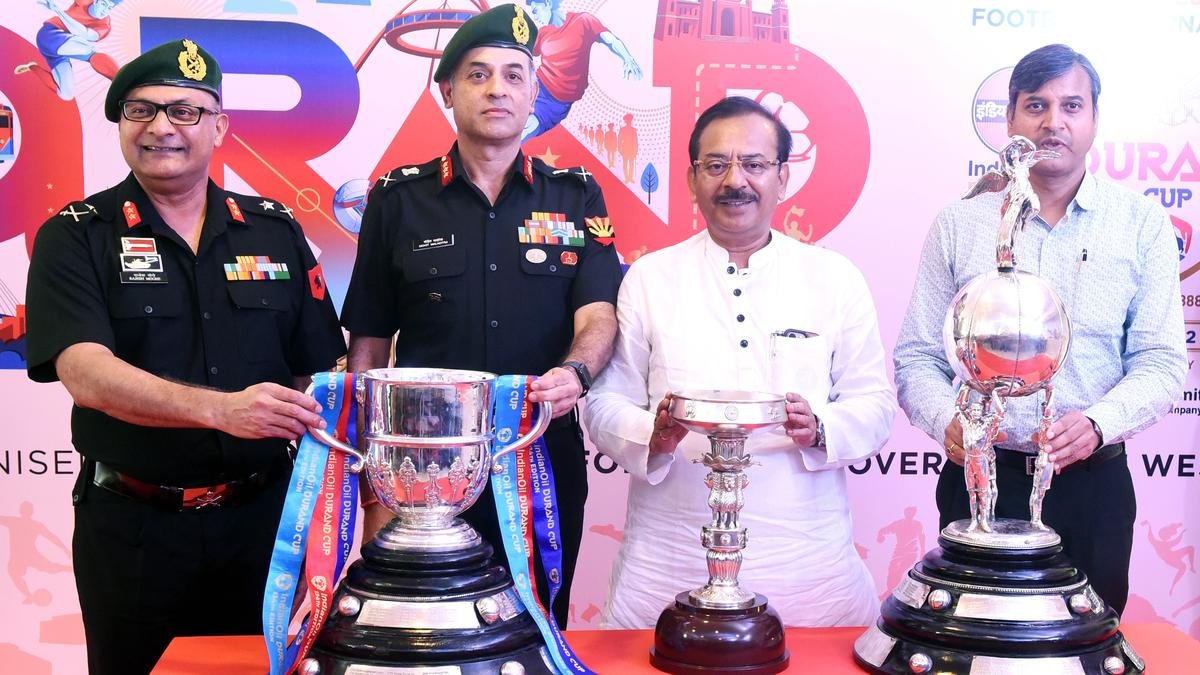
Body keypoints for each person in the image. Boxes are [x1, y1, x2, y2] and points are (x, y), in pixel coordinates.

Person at [24, 39, 346, 674]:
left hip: (265, 525)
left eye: (185, 111)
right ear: (121, 124)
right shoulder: (76, 234)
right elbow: (85, 373)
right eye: (141, 110)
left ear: (219, 127)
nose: (161, 127)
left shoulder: (274, 228)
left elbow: (315, 366)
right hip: (135, 530)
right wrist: (223, 411)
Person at [340, 3, 621, 628]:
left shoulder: (576, 196)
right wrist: (372, 475)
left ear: (533, 93)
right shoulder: (397, 199)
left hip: (538, 455)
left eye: (515, 75)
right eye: (478, 74)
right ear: (447, 91)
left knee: (538, 628)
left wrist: (575, 374)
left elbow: (598, 315)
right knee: (421, 629)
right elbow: (369, 342)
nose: (498, 89)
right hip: (421, 467)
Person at [894, 44, 1186, 617]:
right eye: (1036, 106)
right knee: (973, 641)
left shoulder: (1141, 224)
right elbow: (918, 356)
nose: (1054, 122)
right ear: (1009, 119)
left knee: (1086, 646)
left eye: (1072, 106)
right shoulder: (959, 224)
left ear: (1094, 119)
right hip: (980, 480)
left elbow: (1161, 361)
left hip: (1090, 485)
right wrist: (948, 422)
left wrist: (1099, 424)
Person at [582, 96, 896, 628]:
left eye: (754, 164)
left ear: (782, 177)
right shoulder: (650, 278)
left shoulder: (834, 278)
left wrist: (819, 427)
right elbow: (604, 402)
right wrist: (651, 435)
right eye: (716, 165)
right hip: (664, 571)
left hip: (809, 573)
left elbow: (875, 403)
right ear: (691, 179)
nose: (735, 181)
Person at [522, 0, 642, 141]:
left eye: (535, 11)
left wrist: (628, 58)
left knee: (525, 129)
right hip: (535, 85)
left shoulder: (582, 21)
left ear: (548, 3)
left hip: (555, 101)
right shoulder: (543, 33)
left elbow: (611, 40)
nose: (535, 17)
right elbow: (523, 53)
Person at [14, 0, 123, 101]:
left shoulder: (104, 25)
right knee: (90, 51)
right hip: (49, 35)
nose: (105, 10)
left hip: (61, 50)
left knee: (66, 94)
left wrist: (57, 9)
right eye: (104, 4)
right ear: (95, 1)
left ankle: (32, 67)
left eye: (110, 8)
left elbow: (81, 32)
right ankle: (120, 79)